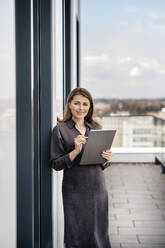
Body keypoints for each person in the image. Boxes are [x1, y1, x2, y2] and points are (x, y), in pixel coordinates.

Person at [50, 88, 112, 248]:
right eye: (76, 103)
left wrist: (106, 160)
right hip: (75, 189)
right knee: (76, 233)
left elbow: (102, 164)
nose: (81, 108)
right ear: (69, 104)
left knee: (100, 232)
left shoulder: (96, 128)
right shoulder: (60, 130)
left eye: (85, 104)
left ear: (90, 107)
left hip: (98, 187)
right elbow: (55, 164)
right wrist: (75, 151)